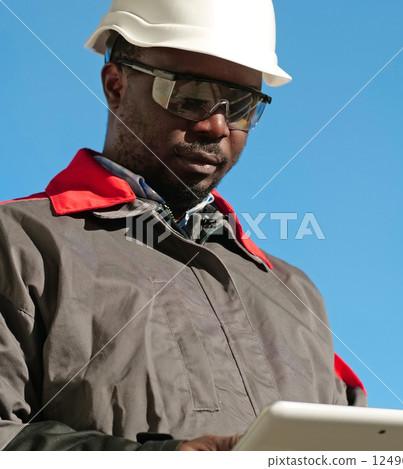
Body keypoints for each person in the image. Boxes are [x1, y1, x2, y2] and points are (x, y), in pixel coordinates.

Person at [0, 0, 367, 451]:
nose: (217, 126)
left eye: (242, 106)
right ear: (116, 86)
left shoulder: (296, 293)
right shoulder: (19, 243)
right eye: (190, 96)